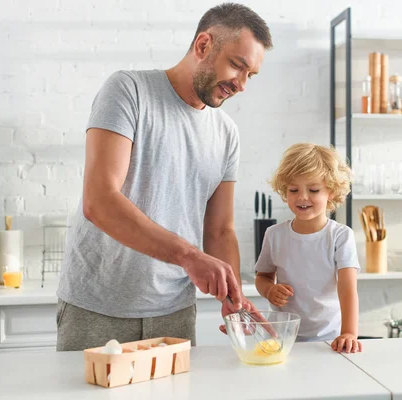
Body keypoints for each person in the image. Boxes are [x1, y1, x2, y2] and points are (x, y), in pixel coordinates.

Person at [55, 3, 273, 351]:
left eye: (251, 75)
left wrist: (234, 296)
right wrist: (189, 256)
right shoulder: (129, 91)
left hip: (174, 312)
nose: (242, 85)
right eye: (237, 66)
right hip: (97, 307)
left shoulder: (226, 133)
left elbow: (220, 230)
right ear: (204, 45)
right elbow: (99, 201)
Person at [254, 143, 363, 353]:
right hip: (281, 338)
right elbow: (263, 277)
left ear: (331, 191)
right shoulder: (274, 235)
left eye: (313, 190)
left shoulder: (340, 236)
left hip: (329, 338)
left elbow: (348, 289)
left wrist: (349, 333)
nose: (302, 197)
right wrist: (269, 290)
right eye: (293, 190)